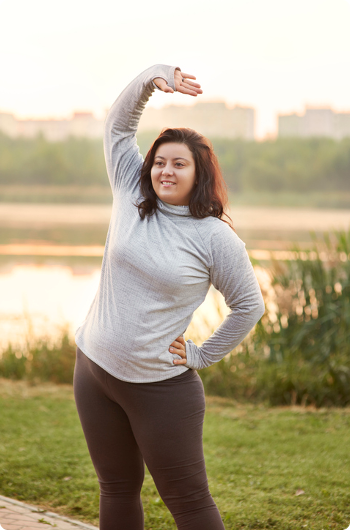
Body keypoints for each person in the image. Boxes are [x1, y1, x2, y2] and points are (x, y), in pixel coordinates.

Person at [73, 64, 265, 530]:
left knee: (190, 502)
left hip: (160, 390)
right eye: (159, 161)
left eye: (179, 163)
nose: (165, 170)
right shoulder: (129, 193)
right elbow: (117, 126)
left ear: (199, 172)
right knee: (116, 489)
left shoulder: (214, 237)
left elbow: (249, 305)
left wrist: (201, 353)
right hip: (94, 371)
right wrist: (152, 78)